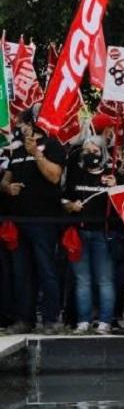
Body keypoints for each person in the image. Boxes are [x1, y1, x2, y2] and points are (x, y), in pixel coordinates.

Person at [1, 113, 67, 333]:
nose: (19, 127)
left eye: (22, 124)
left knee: (46, 269)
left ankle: (51, 319)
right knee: (21, 272)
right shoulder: (17, 150)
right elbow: (5, 179)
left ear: (33, 125)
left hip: (44, 221)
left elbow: (54, 176)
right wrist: (7, 187)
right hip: (19, 220)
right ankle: (24, 319)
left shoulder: (53, 146)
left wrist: (36, 154)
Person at [64, 135, 124, 334]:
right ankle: (83, 321)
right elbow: (64, 198)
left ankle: (105, 321)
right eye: (87, 151)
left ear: (103, 153)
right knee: (82, 280)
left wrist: (116, 186)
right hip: (80, 232)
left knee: (105, 279)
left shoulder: (111, 174)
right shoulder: (76, 173)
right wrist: (70, 205)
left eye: (95, 151)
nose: (91, 155)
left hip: (104, 234)